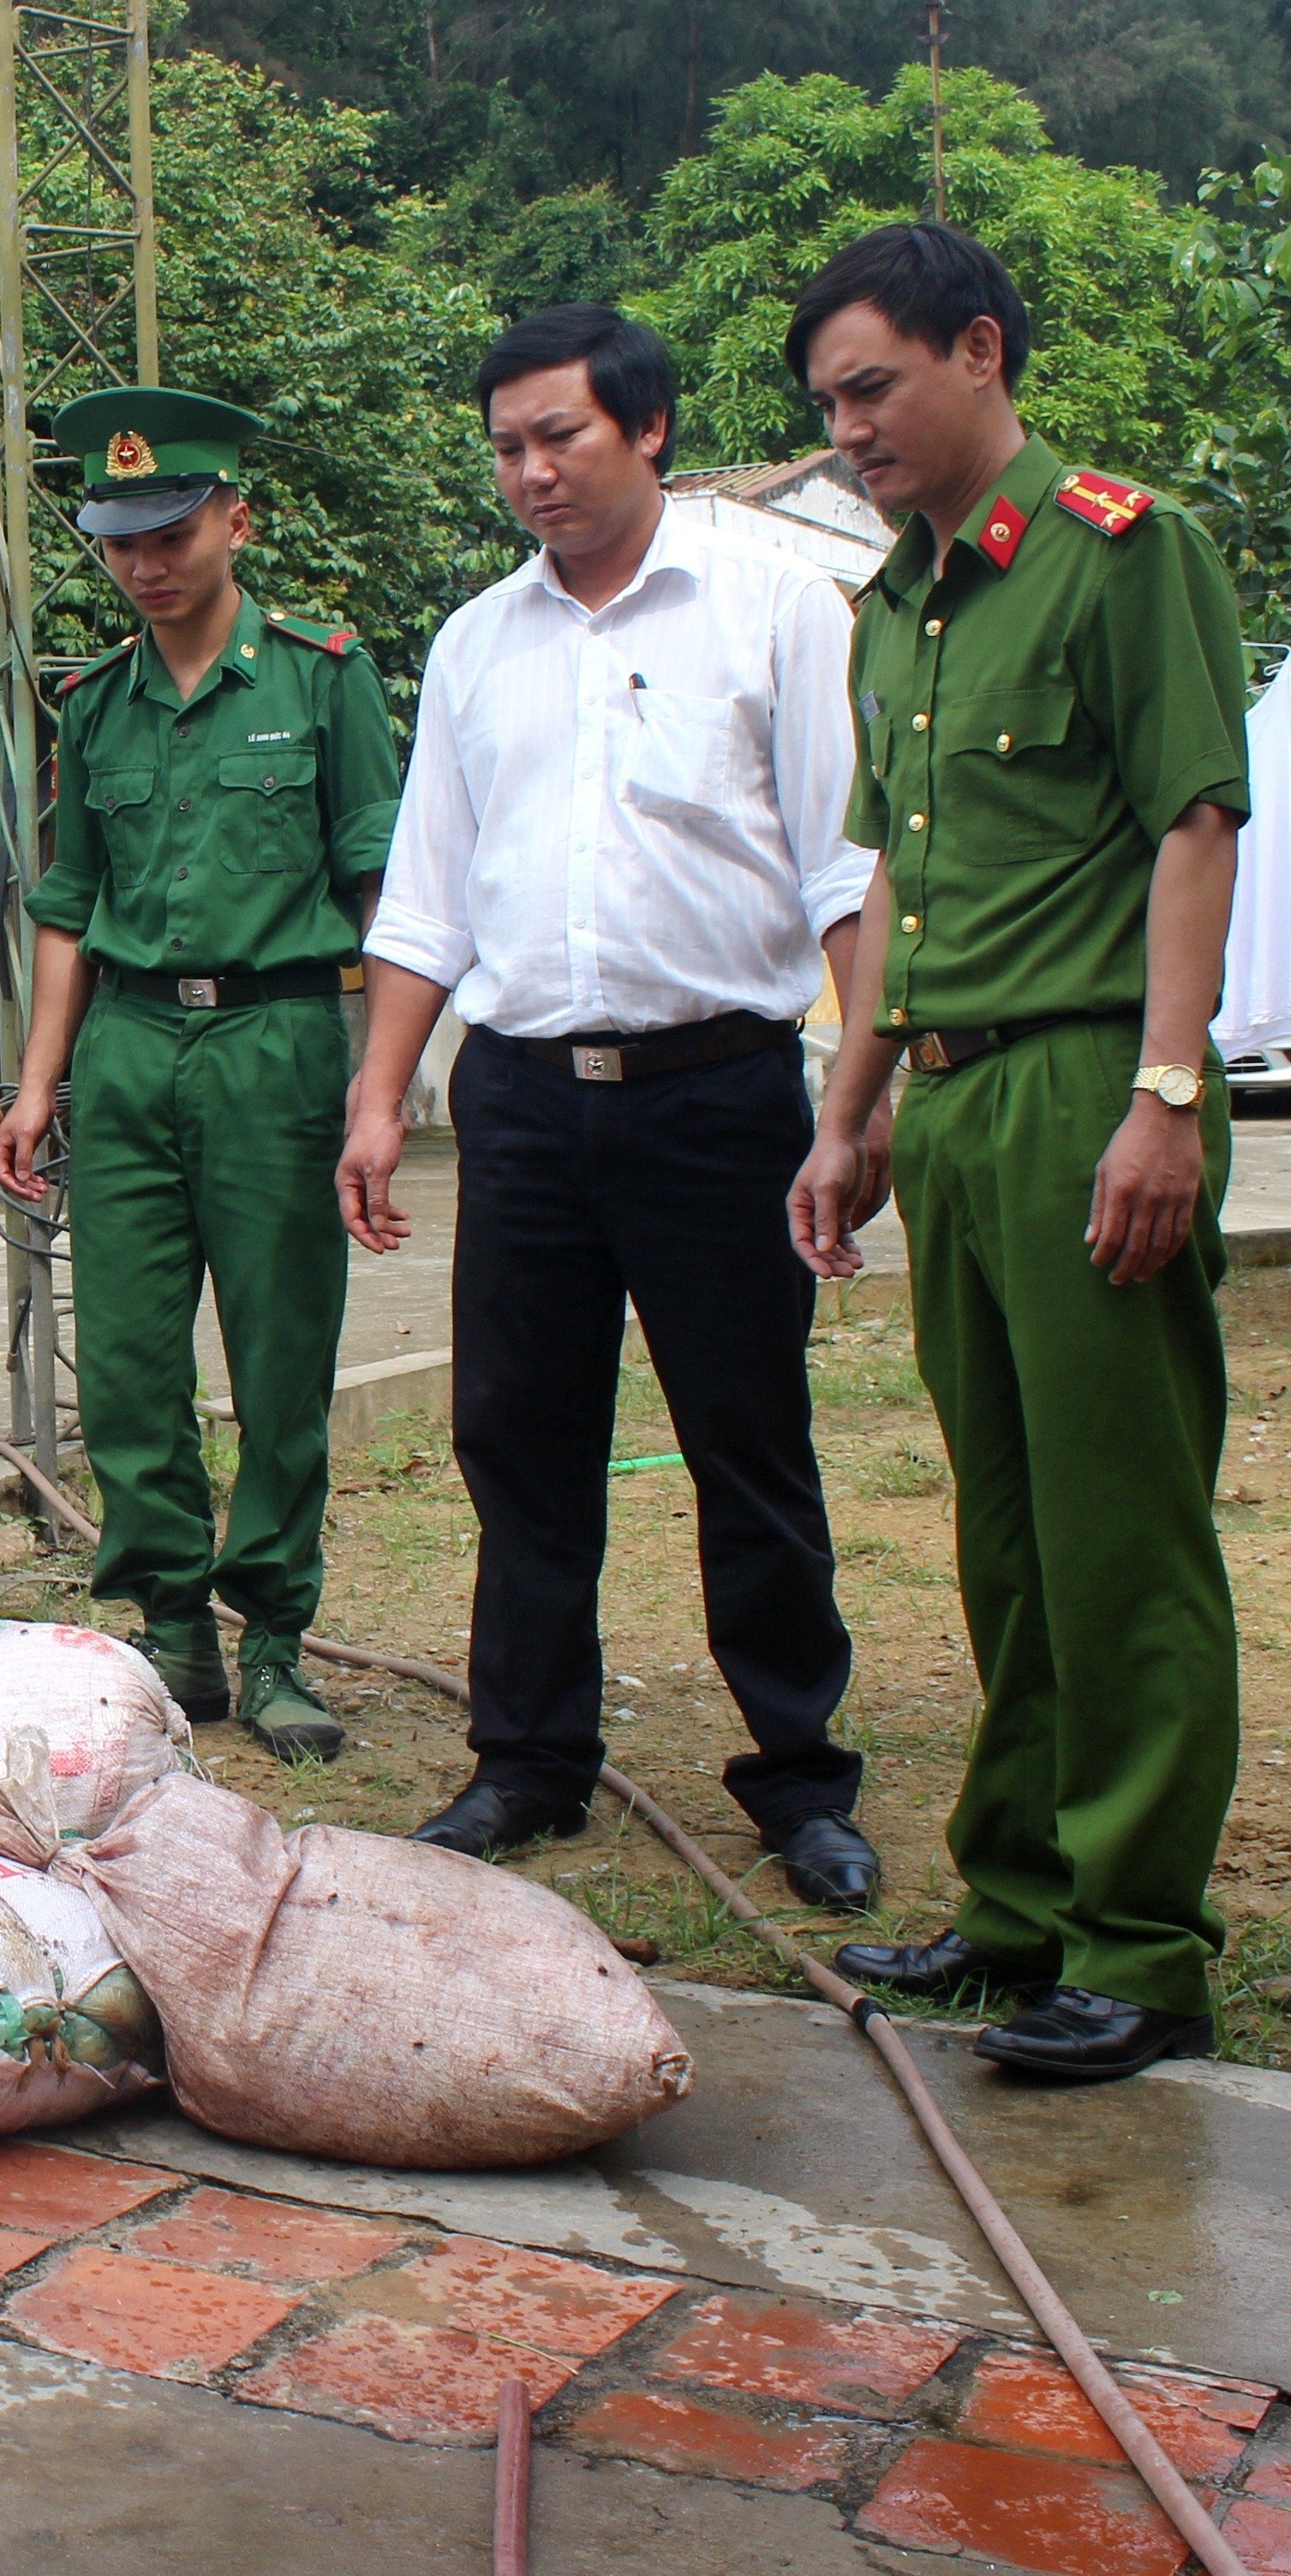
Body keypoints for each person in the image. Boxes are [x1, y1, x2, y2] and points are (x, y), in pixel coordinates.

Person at [338, 302, 885, 1909]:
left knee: (745, 1438)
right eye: (505, 446)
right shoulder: (472, 643)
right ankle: (527, 1762)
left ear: (645, 429)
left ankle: (798, 1781)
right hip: (518, 1103)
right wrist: (380, 1099)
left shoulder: (775, 610)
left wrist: (857, 1096)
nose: (529, 473)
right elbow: (426, 898)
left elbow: (842, 870)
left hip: (717, 1090)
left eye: (559, 437)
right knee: (518, 1438)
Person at [787, 225, 1248, 2083]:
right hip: (955, 1109)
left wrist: (1166, 1092)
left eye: (872, 387)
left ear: (979, 350)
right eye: (825, 404)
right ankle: (1019, 1906)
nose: (844, 432)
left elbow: (1192, 823)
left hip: (1079, 1088)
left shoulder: (1124, 554)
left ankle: (1139, 1943)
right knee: (1004, 1533)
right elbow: (897, 872)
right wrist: (849, 1103)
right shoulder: (893, 606)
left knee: (1117, 1531)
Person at [0, 387, 399, 1759]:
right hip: (126, 1048)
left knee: (280, 1355)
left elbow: (384, 886)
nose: (144, 565)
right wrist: (36, 1082)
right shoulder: (94, 703)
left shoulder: (319, 677)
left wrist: (379, 1087)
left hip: (277, 1041)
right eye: (117, 543)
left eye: (169, 532)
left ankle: (274, 1637)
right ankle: (172, 1631)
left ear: (233, 518)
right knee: (125, 1362)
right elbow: (67, 908)